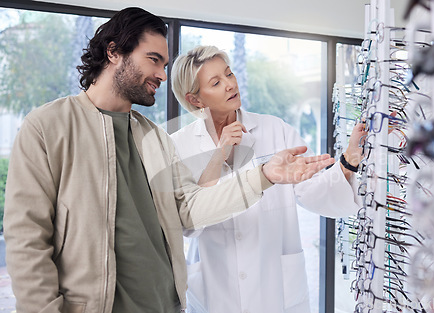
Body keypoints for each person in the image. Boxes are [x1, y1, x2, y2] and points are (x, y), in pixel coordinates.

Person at [3, 8, 335, 313]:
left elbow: (189, 209)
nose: (162, 75)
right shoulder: (49, 126)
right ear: (114, 52)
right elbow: (27, 239)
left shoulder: (155, 138)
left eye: (164, 64)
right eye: (153, 60)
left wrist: (264, 175)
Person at [170, 45, 366, 313]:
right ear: (195, 100)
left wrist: (348, 162)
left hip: (275, 288)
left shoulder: (275, 129)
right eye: (216, 82)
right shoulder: (179, 146)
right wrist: (220, 153)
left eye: (229, 74)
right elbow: (189, 223)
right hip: (214, 291)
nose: (230, 84)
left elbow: (312, 192)